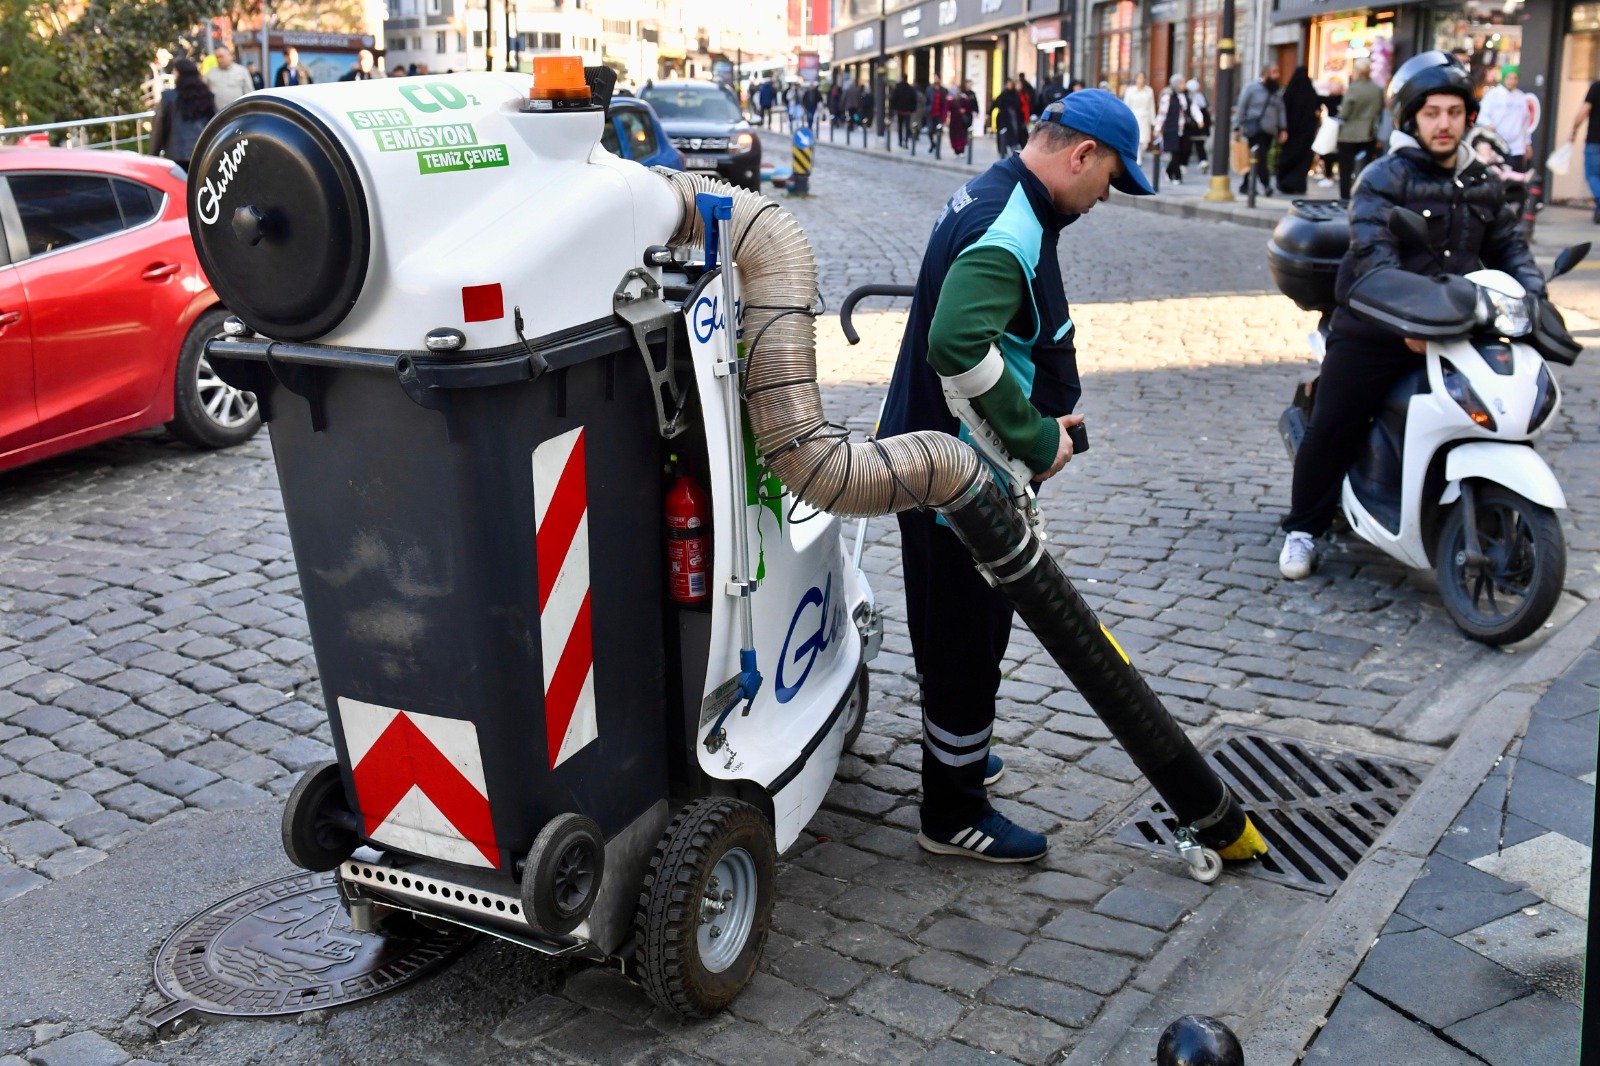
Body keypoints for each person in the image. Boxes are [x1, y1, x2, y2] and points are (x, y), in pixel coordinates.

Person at [877, 89, 1155, 861]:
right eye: (1111, 178)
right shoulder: (1011, 224)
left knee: (948, 631)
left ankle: (957, 760)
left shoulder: (998, 192)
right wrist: (1033, 437)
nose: (1106, 197)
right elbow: (957, 343)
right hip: (959, 484)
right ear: (1082, 155)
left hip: (936, 462)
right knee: (967, 640)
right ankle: (953, 811)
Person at [1278, 52, 1543, 579]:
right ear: (1411, 118)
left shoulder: (1482, 181)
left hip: (1459, 323)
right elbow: (1375, 258)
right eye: (1432, 112)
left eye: (1454, 112)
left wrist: (1534, 300)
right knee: (1336, 419)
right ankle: (1303, 528)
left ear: (1469, 116)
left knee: (1509, 406)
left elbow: (1511, 249)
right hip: (1377, 325)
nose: (1444, 123)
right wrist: (1409, 322)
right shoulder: (1382, 178)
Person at [149, 57, 216, 170]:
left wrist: (152, 156)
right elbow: (214, 124)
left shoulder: (168, 97)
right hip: (202, 153)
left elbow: (158, 129)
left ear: (179, 73)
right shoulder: (206, 96)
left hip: (175, 155)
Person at [1337, 58, 1383, 200]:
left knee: (1345, 170)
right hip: (1368, 133)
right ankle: (1363, 196)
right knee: (1366, 169)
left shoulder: (1353, 88)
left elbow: (1345, 113)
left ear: (1357, 71)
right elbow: (1379, 110)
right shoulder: (1376, 89)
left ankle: (1345, 198)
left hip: (1349, 134)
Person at [1236, 64, 1285, 195]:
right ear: (1265, 74)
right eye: (1274, 72)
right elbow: (1242, 107)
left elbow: (1281, 110)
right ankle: (1266, 184)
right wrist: (1237, 126)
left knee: (1255, 158)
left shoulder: (1276, 92)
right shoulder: (1251, 88)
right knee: (1259, 156)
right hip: (1254, 129)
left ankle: (1246, 184)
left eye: (1277, 72)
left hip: (1269, 130)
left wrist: (1283, 128)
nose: (1277, 75)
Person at [1276, 66, 1320, 195]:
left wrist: (1283, 128)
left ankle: (1285, 182)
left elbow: (1283, 110)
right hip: (1306, 134)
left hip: (1291, 133)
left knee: (1289, 157)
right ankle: (1298, 184)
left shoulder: (1290, 92)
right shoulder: (1310, 93)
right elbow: (1315, 110)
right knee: (1303, 159)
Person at [1479, 66, 1531, 169]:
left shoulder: (1521, 97)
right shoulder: (1493, 95)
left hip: (1517, 147)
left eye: (1515, 78)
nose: (1512, 81)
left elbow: (1525, 123)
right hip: (1498, 145)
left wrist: (1527, 143)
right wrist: (1488, 124)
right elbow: (1482, 116)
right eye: (1509, 78)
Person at [1567, 76, 1600, 222]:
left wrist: (1574, 129)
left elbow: (1584, 110)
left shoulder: (1596, 87)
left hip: (1595, 140)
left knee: (1592, 175)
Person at [1156, 74, 1187, 183]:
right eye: (1181, 83)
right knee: (1175, 152)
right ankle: (1177, 176)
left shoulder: (1183, 96)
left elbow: (1188, 109)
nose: (1184, 85)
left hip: (1180, 129)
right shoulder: (1167, 97)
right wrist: (1158, 128)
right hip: (1170, 128)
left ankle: (1169, 171)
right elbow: (1162, 114)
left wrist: (1199, 119)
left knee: (1178, 153)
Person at [204, 45, 253, 110]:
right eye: (217, 57)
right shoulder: (210, 73)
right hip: (216, 113)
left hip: (237, 112)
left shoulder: (242, 71)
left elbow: (249, 94)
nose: (219, 60)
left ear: (230, 55)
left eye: (221, 57)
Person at [1121, 72, 1156, 160]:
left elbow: (1151, 106)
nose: (1140, 80)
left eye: (1142, 78)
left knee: (1144, 143)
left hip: (1145, 118)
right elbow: (1126, 105)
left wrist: (1153, 122)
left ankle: (1138, 159)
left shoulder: (1149, 90)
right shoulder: (1130, 91)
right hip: (1134, 118)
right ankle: (1137, 161)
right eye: (1139, 78)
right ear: (1136, 79)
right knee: (1136, 140)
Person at [992, 78, 1025, 157]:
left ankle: (1012, 148)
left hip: (1013, 118)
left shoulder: (1015, 95)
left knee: (1013, 134)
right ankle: (1003, 151)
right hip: (1003, 118)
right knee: (1003, 134)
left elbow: (1019, 106)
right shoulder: (1003, 95)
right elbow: (995, 104)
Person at [1183, 78, 1210, 172]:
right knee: (1197, 146)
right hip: (1198, 127)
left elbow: (1197, 111)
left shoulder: (1192, 98)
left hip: (1193, 127)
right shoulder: (1198, 97)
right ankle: (1202, 161)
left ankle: (1185, 164)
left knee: (1190, 147)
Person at [948, 81, 975, 156]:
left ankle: (961, 150)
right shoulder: (950, 98)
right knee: (954, 135)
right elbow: (947, 108)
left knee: (962, 135)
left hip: (961, 121)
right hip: (953, 121)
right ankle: (956, 150)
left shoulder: (964, 97)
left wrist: (965, 110)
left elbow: (969, 107)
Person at [892, 78, 920, 148]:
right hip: (907, 111)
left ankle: (900, 141)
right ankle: (906, 141)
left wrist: (894, 108)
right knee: (907, 126)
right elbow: (914, 99)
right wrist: (912, 109)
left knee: (900, 126)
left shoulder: (898, 88)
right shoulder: (910, 88)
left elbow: (893, 98)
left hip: (900, 110)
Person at [925, 77, 948, 153]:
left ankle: (937, 147)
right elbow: (927, 100)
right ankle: (933, 144)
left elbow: (945, 103)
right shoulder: (929, 89)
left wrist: (945, 115)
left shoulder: (943, 90)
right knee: (930, 131)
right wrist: (927, 109)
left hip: (939, 114)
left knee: (939, 131)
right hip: (931, 113)